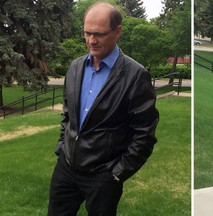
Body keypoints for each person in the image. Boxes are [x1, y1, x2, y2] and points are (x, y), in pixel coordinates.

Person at [47, 2, 159, 216]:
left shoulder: (136, 76)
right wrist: (62, 146)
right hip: (67, 166)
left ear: (117, 32)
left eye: (98, 34)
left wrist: (116, 173)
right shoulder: (75, 67)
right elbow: (68, 114)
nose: (91, 40)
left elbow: (144, 135)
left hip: (104, 175)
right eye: (87, 33)